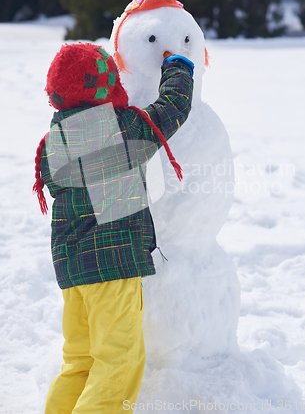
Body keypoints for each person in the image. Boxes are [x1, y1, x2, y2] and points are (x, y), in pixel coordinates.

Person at [33, 42, 194, 413]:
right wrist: (178, 66)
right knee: (117, 362)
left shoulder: (51, 143)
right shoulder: (124, 130)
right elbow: (172, 109)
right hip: (112, 266)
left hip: (73, 273)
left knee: (80, 363)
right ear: (107, 90)